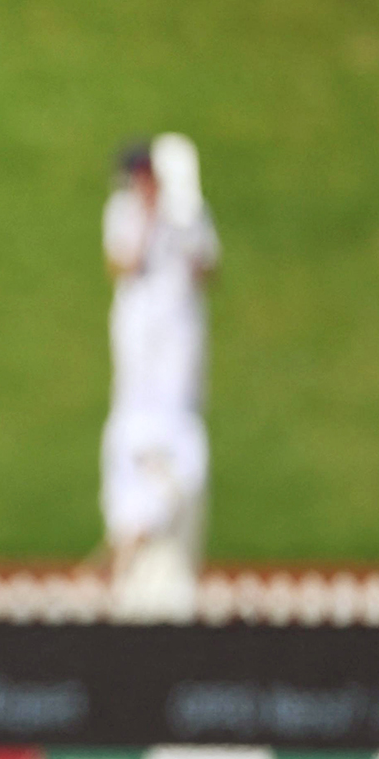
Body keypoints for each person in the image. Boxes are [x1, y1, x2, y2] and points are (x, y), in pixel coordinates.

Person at [99, 134, 219, 621]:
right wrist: (150, 218)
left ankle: (158, 498)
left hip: (179, 328)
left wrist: (182, 222)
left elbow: (206, 267)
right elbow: (123, 264)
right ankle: (138, 512)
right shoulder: (122, 210)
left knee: (175, 410)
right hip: (139, 328)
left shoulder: (191, 207)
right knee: (136, 410)